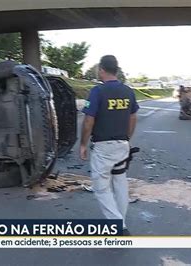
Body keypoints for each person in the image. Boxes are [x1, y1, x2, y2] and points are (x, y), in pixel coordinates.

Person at [80, 55, 139, 235]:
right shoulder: (128, 91)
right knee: (120, 183)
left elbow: (89, 120)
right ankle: (121, 220)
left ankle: (117, 225)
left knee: (101, 187)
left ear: (102, 70)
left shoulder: (98, 92)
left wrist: (83, 144)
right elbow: (133, 117)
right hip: (122, 145)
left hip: (103, 147)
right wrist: (126, 138)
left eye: (99, 69)